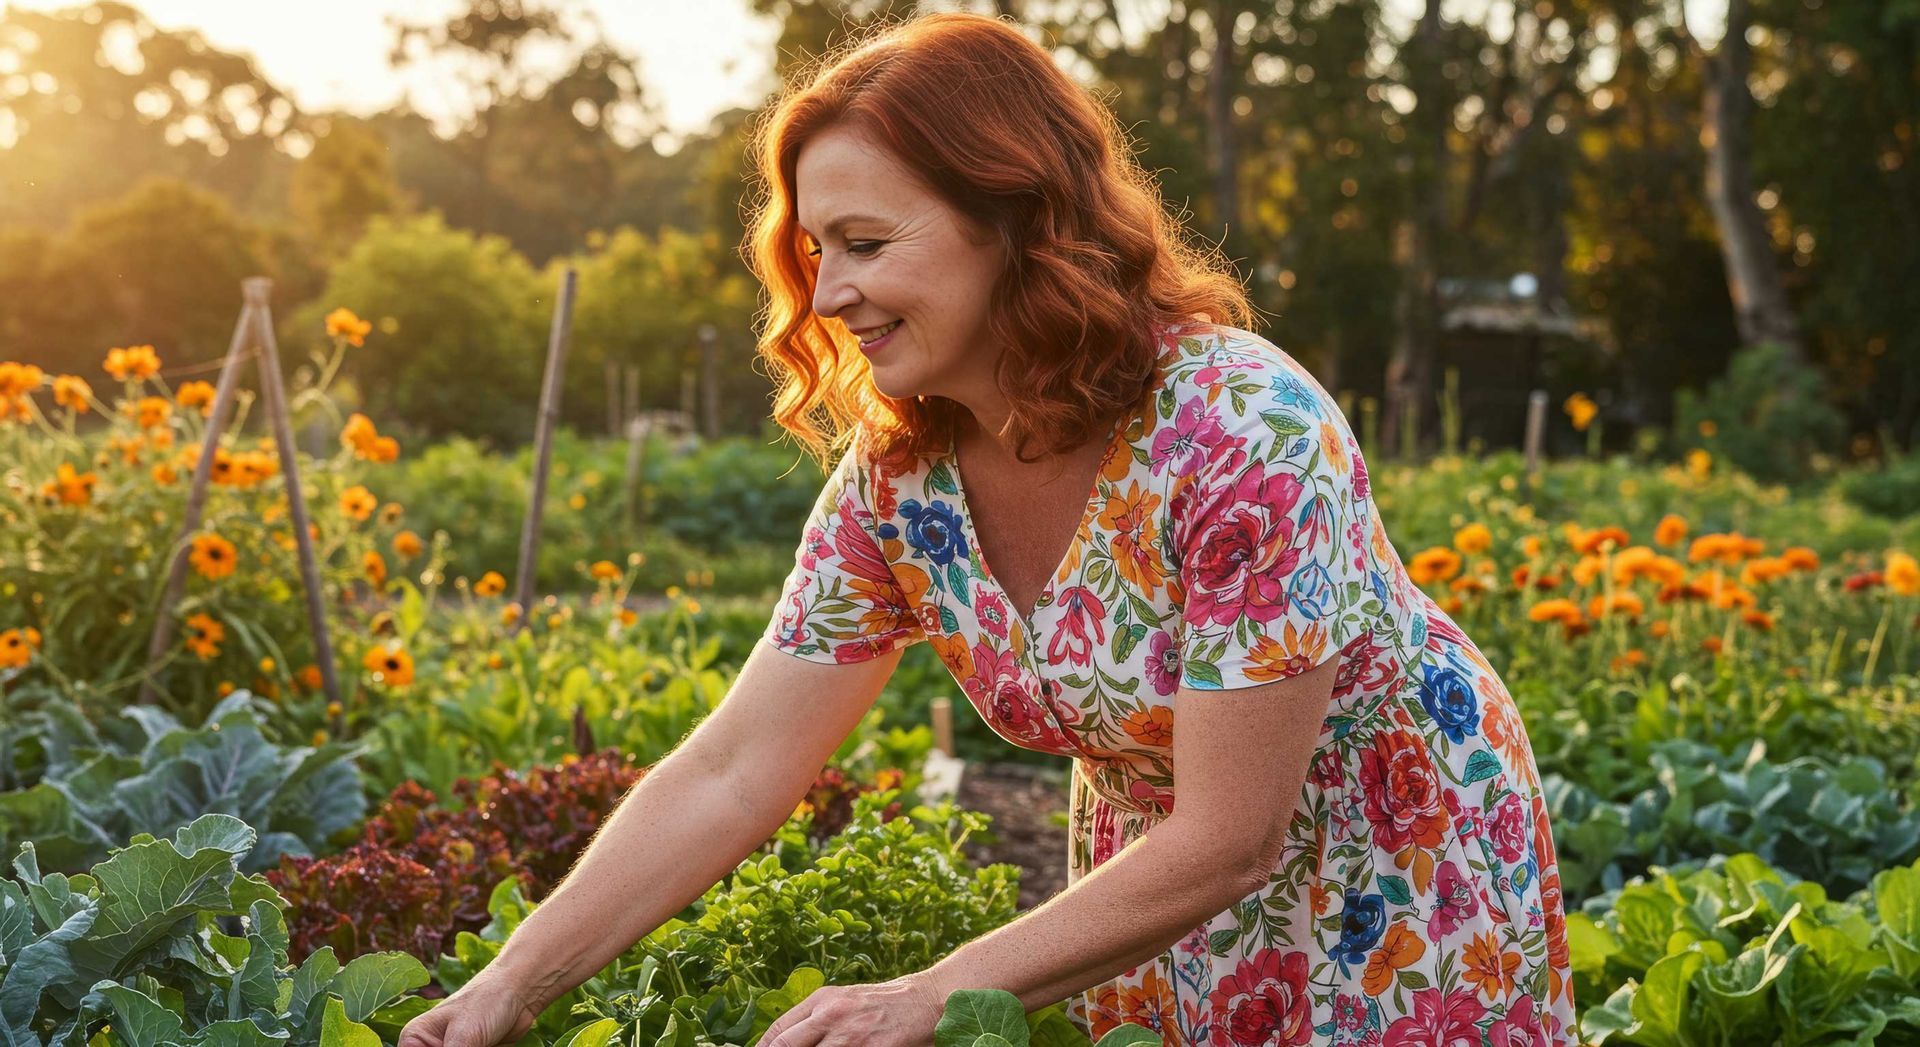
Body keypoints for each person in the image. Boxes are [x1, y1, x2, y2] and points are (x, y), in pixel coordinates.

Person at [399, 12, 1575, 1047]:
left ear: (1014, 219)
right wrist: (513, 984)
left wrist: (932, 995)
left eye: (865, 243)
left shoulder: (1239, 429)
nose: (825, 296)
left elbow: (1230, 835)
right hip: (1145, 894)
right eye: (814, 254)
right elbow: (734, 766)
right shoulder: (904, 481)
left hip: (1396, 865)